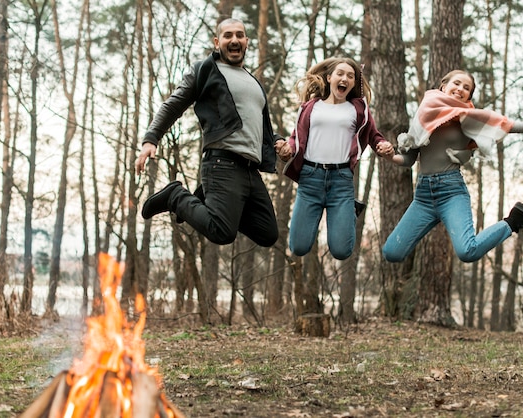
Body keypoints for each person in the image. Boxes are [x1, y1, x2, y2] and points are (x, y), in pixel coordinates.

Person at [376, 69, 523, 263]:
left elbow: (513, 126)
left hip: (451, 193)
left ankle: (513, 221)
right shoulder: (424, 114)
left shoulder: (470, 119)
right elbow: (409, 160)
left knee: (467, 251)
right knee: (391, 253)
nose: (461, 89)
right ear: (443, 86)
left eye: (467, 88)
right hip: (423, 198)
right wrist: (390, 157)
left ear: (468, 97)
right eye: (457, 83)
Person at [136, 18, 280, 247]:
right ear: (217, 42)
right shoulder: (205, 71)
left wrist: (278, 141)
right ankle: (175, 196)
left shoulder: (254, 82)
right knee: (222, 232)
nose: (234, 40)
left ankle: (206, 198)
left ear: (246, 42)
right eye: (228, 35)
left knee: (267, 233)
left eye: (239, 35)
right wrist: (151, 139)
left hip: (251, 170)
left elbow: (260, 126)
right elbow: (173, 105)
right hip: (223, 163)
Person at [275, 57, 387, 260]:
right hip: (310, 179)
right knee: (298, 247)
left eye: (350, 76)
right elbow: (295, 138)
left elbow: (373, 135)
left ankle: (349, 211)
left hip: (341, 181)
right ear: (329, 78)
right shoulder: (310, 107)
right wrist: (287, 149)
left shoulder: (358, 109)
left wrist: (383, 145)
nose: (344, 79)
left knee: (341, 251)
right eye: (340, 74)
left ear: (353, 83)